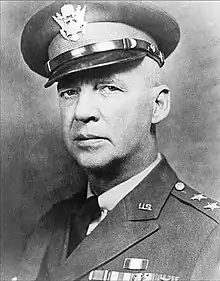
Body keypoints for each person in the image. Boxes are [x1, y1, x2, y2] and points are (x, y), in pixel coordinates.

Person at [13, 1, 220, 281]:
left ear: (157, 105)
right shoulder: (50, 226)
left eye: (109, 87)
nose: (82, 112)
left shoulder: (208, 235)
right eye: (69, 92)